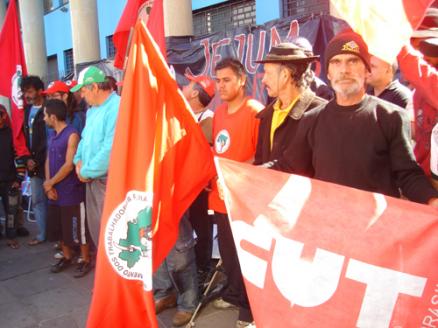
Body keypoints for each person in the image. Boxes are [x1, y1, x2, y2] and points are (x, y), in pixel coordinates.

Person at [290, 31, 438, 207]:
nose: (344, 70)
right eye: (336, 62)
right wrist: (249, 176)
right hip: (329, 224)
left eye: (352, 61)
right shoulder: (311, 120)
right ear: (328, 73)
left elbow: (407, 175)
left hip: (376, 228)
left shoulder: (392, 117)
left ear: (367, 70)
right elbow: (289, 168)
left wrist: (432, 200)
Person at [209, 57, 263, 328]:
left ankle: (250, 308)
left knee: (247, 258)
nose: (220, 86)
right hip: (220, 199)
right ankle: (233, 294)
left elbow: (261, 156)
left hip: (245, 201)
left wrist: (234, 175)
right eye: (218, 81)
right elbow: (219, 151)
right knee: (228, 255)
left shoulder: (255, 111)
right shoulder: (219, 113)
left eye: (227, 80)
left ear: (242, 80)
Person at [253, 42, 327, 170]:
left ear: (285, 75)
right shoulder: (267, 115)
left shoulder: (320, 112)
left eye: (268, 73)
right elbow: (259, 161)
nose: (263, 80)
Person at [43, 99, 92, 277]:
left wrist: (51, 183)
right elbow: (49, 159)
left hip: (71, 191)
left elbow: (69, 165)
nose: (44, 119)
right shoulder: (52, 135)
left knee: (78, 228)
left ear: (53, 117)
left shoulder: (72, 135)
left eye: (45, 115)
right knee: (61, 227)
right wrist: (48, 185)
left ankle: (85, 259)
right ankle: (66, 256)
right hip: (55, 190)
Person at [72, 66, 120, 246]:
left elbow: (111, 148)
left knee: (110, 235)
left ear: (94, 87)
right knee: (97, 233)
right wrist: (78, 161)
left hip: (107, 181)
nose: (82, 96)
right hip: (91, 178)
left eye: (83, 90)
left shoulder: (117, 106)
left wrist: (86, 170)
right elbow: (84, 140)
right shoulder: (92, 110)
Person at [398, 9, 438, 176]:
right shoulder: (416, 93)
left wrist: (394, 39)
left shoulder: (429, 83)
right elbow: (414, 132)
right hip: (422, 178)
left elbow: (415, 70)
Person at [182, 74, 215, 277]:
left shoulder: (209, 119)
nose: (184, 86)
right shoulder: (187, 115)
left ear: (195, 92)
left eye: (189, 84)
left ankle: (203, 270)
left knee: (202, 228)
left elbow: (201, 152)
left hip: (200, 185)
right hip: (186, 183)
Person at [21, 75, 48, 246]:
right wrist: (27, 159)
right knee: (38, 200)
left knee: (54, 200)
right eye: (24, 92)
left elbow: (49, 138)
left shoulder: (49, 109)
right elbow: (23, 137)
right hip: (33, 165)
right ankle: (42, 233)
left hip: (47, 162)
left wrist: (36, 159)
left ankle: (58, 236)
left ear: (39, 91)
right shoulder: (25, 111)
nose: (27, 96)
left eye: (30, 91)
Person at [0, 105, 21, 249]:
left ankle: (11, 237)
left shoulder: (12, 134)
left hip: (10, 179)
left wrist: (19, 178)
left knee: (11, 211)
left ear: (4, 116)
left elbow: (19, 155)